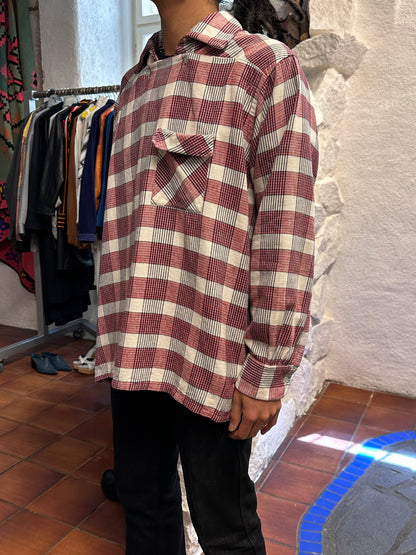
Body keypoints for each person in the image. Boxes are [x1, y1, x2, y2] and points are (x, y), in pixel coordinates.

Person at [95, 0, 318, 553]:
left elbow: (285, 226)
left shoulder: (263, 66)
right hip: (132, 348)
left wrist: (267, 368)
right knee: (144, 507)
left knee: (225, 527)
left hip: (210, 351)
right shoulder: (133, 87)